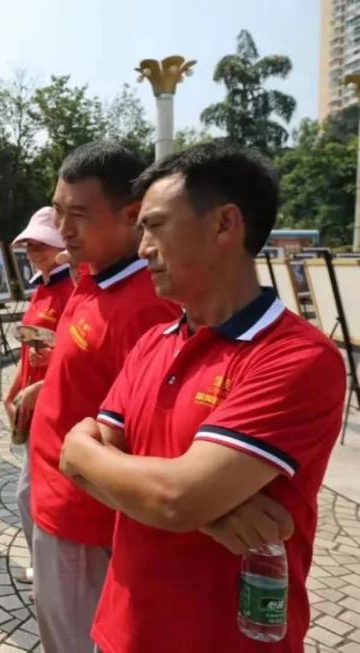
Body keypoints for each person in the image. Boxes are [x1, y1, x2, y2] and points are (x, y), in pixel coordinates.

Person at [59, 143, 346, 652]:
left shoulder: (297, 358)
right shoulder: (156, 342)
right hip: (119, 631)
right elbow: (75, 454)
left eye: (156, 225)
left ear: (224, 225)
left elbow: (172, 496)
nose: (143, 246)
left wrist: (182, 501)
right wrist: (206, 511)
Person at [28, 143, 179, 652]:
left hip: (86, 523)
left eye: (78, 215)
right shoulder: (92, 278)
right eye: (57, 211)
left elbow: (147, 433)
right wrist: (43, 388)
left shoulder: (145, 308)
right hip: (54, 502)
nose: (63, 229)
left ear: (131, 215)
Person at [3, 206, 75, 590]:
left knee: (30, 493)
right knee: (31, 492)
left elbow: (79, 354)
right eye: (29, 244)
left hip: (57, 405)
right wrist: (15, 388)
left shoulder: (71, 289)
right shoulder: (43, 288)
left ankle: (48, 569)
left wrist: (40, 386)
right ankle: (43, 565)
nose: (34, 250)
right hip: (34, 403)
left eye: (42, 243)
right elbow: (31, 349)